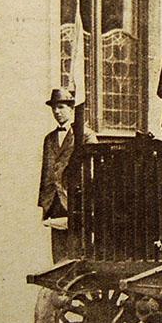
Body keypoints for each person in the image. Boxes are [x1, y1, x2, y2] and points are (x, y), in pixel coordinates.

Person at [39, 88, 96, 261]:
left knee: (77, 250)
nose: (57, 112)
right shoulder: (49, 139)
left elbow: (91, 170)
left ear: (72, 109)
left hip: (76, 200)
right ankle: (61, 286)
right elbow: (46, 171)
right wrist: (45, 202)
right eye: (54, 108)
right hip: (54, 201)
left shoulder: (86, 136)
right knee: (59, 252)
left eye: (61, 107)